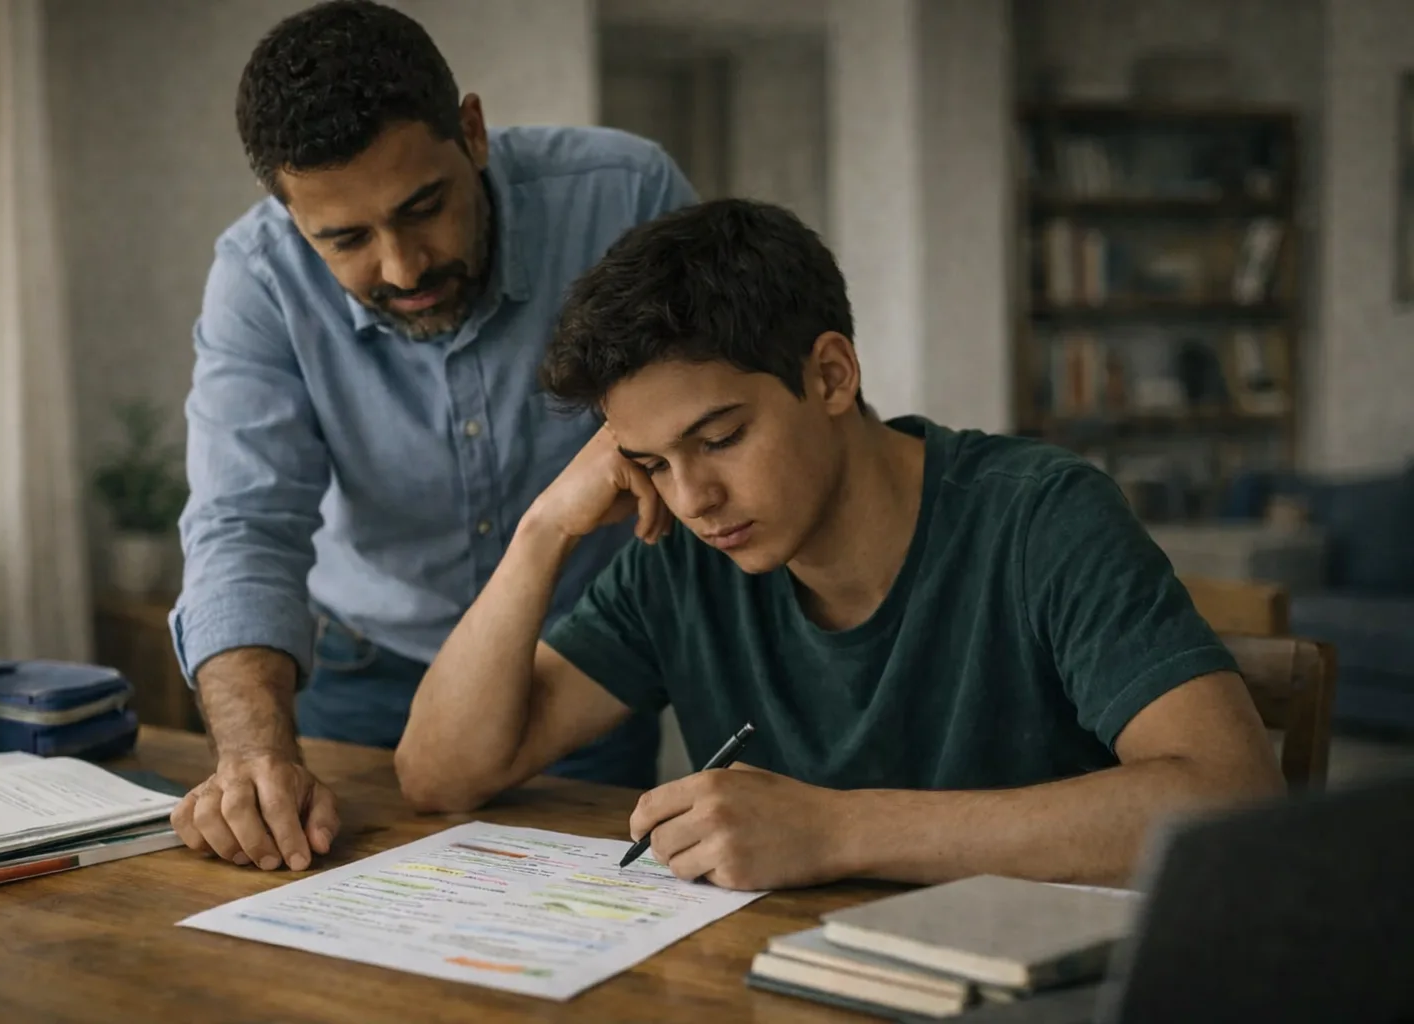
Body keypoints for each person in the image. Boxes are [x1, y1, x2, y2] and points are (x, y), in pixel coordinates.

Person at [394, 198, 1286, 891]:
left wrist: (837, 830)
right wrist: (543, 530)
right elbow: (440, 775)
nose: (693, 499)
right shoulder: (683, 556)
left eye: (720, 438)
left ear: (830, 375)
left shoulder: (1041, 516)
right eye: (651, 462)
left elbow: (1231, 797)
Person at [167, 0, 696, 873]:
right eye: (346, 239)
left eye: (424, 207)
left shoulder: (625, 194)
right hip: (361, 673)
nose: (403, 266)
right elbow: (243, 524)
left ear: (473, 132)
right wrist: (255, 754)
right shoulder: (258, 278)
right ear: (289, 214)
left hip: (569, 667)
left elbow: (707, 414)